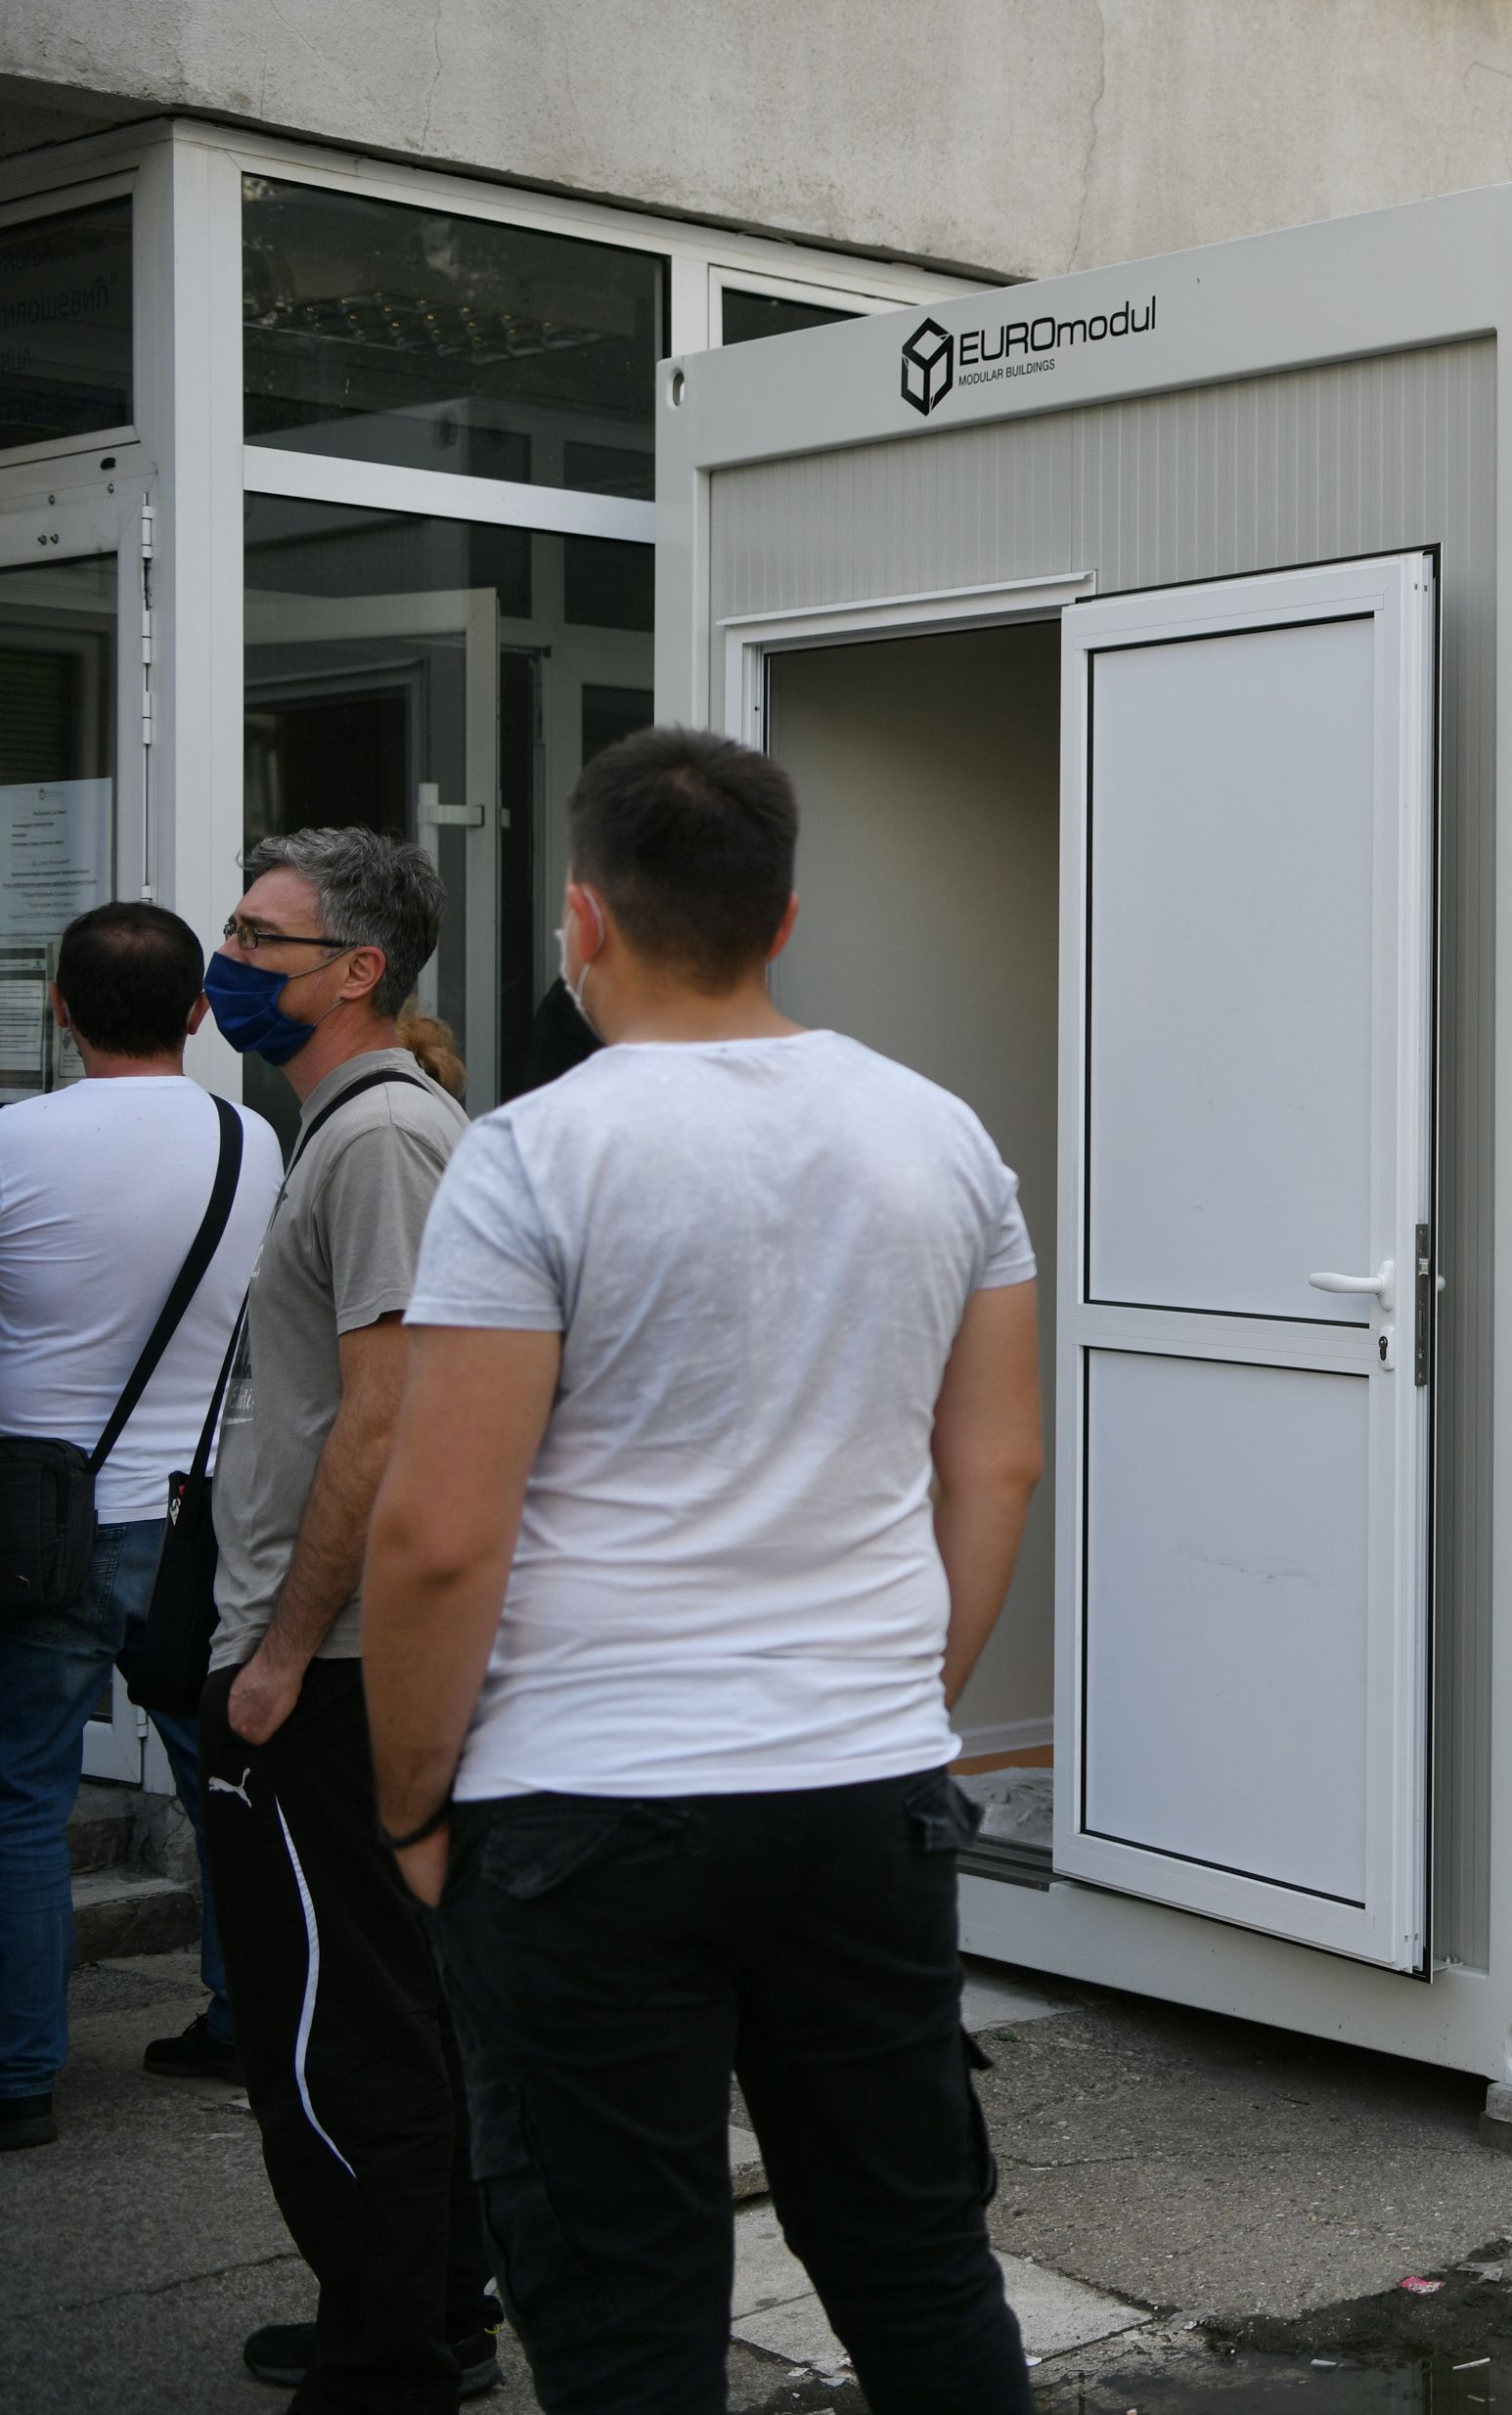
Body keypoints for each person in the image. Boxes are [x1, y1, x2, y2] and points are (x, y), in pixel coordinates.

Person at [364, 729, 1044, 2408]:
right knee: (917, 2263)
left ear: (581, 921)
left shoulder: (529, 1155)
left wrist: (409, 1813)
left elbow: (438, 1534)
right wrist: (898, 1701)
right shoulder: (940, 1135)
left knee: (624, 2309)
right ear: (784, 915)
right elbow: (999, 1460)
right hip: (861, 1787)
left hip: (586, 1804)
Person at [190, 830, 505, 2407]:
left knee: (335, 2024)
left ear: (357, 971)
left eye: (259, 932)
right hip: (334, 1654)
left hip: (334, 1666)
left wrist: (280, 1659)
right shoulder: (350, 1130)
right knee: (384, 2000)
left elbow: (382, 1425)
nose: (227, 954)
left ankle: (391, 2356)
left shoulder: (380, 1142)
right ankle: (425, 2304)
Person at [0, 905, 276, 2147]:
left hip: (33, 1520)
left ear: (59, 1007)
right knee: (222, 1780)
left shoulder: (15, 1143)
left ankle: (18, 2078)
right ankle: (245, 2025)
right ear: (197, 1010)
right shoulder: (251, 1141)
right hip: (194, 1517)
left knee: (18, 1797)